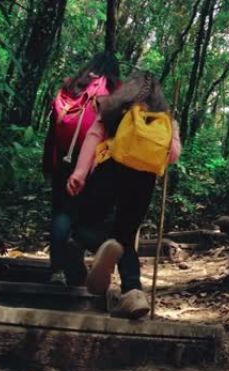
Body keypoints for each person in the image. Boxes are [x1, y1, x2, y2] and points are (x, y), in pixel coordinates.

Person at [67, 71, 182, 319]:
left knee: (82, 226)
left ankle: (100, 248)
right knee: (126, 238)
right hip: (144, 182)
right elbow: (172, 155)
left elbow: (93, 136)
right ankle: (133, 292)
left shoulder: (114, 109)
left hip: (109, 171)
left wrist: (79, 172)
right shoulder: (165, 119)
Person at [42, 52, 121, 286]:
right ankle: (76, 246)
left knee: (61, 212)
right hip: (95, 161)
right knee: (90, 216)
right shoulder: (115, 89)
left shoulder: (72, 85)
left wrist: (49, 163)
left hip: (63, 159)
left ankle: (58, 270)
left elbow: (53, 129)